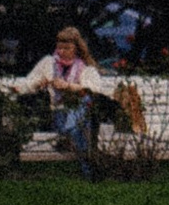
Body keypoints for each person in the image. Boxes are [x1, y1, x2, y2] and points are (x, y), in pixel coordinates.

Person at [12, 24, 106, 171]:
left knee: (84, 104)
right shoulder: (48, 63)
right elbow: (28, 83)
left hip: (80, 115)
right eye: (59, 48)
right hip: (58, 114)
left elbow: (92, 90)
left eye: (67, 48)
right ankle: (88, 164)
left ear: (76, 49)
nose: (61, 52)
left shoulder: (85, 68)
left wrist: (68, 86)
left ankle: (73, 138)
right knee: (77, 127)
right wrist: (39, 83)